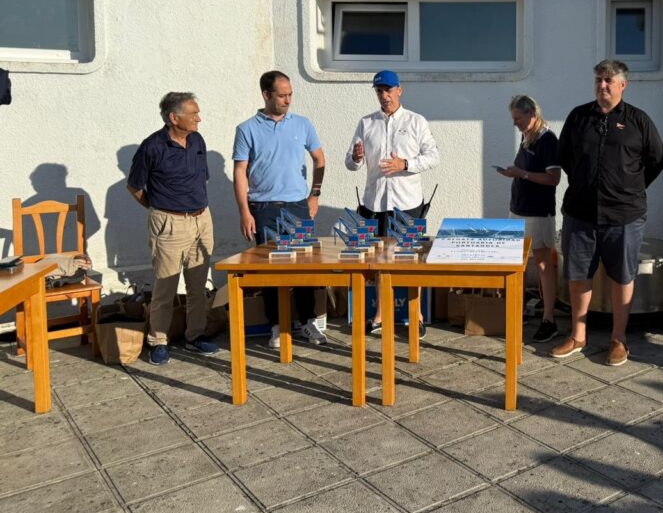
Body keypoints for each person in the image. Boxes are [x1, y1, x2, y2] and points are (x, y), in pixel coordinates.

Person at [552, 60, 663, 366]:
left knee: (622, 276)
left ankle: (618, 339)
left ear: (623, 85)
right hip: (580, 213)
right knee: (578, 275)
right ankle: (578, 335)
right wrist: (586, 182)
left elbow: (657, 159)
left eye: (608, 81)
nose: (602, 85)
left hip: (625, 216)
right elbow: (565, 157)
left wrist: (629, 187)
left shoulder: (638, 121)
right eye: (598, 80)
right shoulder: (579, 117)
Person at [233, 70, 327, 348]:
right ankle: (277, 326)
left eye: (290, 95)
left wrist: (315, 195)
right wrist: (244, 212)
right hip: (264, 208)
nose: (288, 100)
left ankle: (308, 321)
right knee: (270, 270)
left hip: (298, 206)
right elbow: (240, 171)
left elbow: (319, 159)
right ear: (266, 95)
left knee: (305, 266)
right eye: (282, 95)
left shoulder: (303, 124)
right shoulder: (247, 129)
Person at [345, 70, 440, 336]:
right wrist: (356, 157)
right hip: (374, 203)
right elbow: (351, 163)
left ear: (400, 90)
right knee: (378, 260)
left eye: (388, 90)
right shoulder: (366, 123)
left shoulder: (416, 121)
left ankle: (416, 315)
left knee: (410, 260)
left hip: (408, 203)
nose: (384, 96)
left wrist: (405, 164)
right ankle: (380, 314)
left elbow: (433, 156)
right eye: (379, 91)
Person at [127, 92, 219, 365]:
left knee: (198, 285)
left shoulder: (197, 140)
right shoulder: (152, 147)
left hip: (202, 220)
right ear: (174, 118)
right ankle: (158, 341)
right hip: (169, 223)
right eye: (193, 114)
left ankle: (195, 335)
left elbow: (201, 179)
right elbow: (134, 187)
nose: (199, 118)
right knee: (165, 286)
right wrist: (160, 209)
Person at [497, 95, 562, 343]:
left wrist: (521, 174)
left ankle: (549, 319)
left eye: (518, 118)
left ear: (532, 114)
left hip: (538, 212)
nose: (515, 123)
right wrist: (513, 173)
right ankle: (519, 308)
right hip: (519, 209)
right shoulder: (527, 137)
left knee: (543, 264)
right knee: (517, 262)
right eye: (513, 119)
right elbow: (524, 171)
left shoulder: (547, 139)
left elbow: (553, 178)